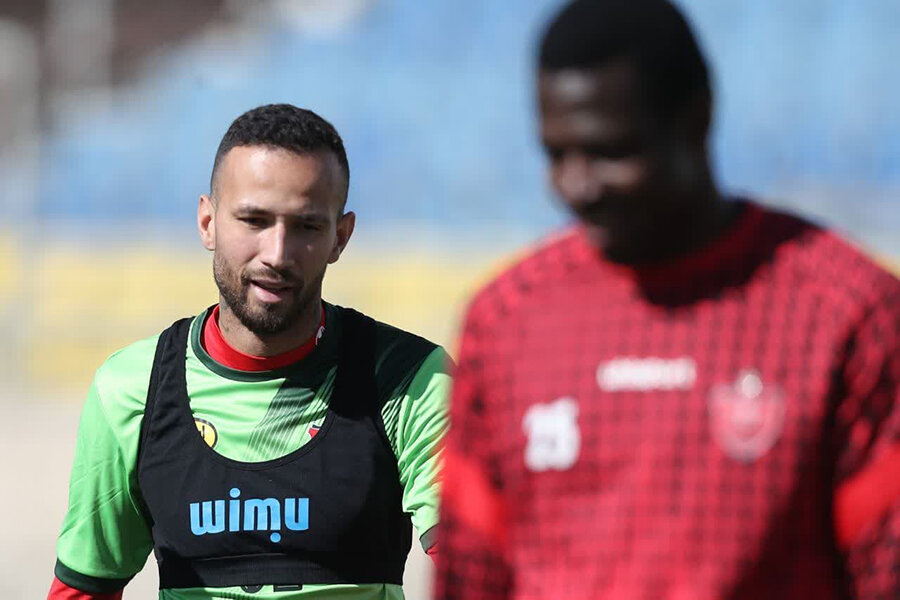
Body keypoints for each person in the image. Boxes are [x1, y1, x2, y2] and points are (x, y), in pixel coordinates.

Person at [434, 1, 900, 598]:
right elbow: (470, 574)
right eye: (556, 154)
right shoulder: (506, 321)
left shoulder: (847, 312)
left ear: (696, 121)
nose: (577, 186)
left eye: (610, 152)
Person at [49, 104, 450, 600]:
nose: (276, 254)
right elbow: (84, 589)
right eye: (254, 220)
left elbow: (485, 571)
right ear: (207, 222)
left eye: (306, 226)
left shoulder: (410, 381)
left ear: (340, 237)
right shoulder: (132, 389)